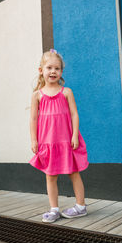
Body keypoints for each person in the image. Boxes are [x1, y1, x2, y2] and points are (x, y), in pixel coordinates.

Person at [29, 49, 89, 223]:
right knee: (50, 176)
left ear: (61, 72)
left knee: (74, 173)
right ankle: (54, 209)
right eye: (49, 68)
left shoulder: (66, 92)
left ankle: (80, 206)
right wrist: (34, 140)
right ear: (41, 70)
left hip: (67, 141)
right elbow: (33, 119)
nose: (53, 71)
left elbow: (74, 115)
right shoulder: (37, 96)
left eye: (57, 68)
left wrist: (75, 136)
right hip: (48, 142)